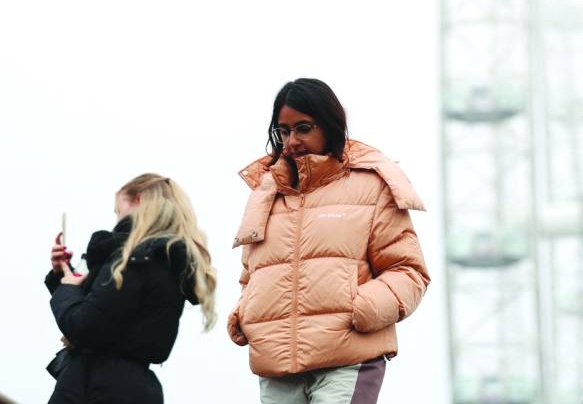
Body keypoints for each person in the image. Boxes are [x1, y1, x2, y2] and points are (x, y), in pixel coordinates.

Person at [229, 77, 430, 403]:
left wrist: (362, 309)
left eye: (303, 128)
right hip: (276, 365)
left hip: (347, 359)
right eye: (283, 130)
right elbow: (252, 275)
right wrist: (246, 313)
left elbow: (408, 271)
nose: (291, 141)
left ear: (330, 125)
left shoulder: (372, 185)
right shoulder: (266, 193)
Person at [46, 174, 217, 404]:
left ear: (137, 201)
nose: (116, 219)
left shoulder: (135, 261)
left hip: (96, 387)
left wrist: (67, 289)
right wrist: (62, 274)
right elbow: (111, 313)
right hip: (133, 387)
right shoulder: (166, 260)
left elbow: (85, 325)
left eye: (117, 210)